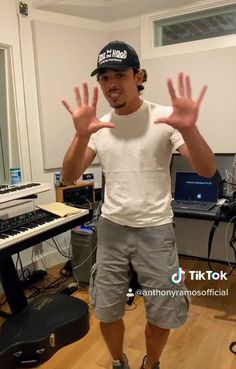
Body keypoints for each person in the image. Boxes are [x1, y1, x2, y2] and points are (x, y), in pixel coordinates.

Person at [62, 41, 216, 369]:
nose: (112, 84)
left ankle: (151, 365)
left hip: (156, 232)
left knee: (164, 311)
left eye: (120, 74)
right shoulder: (97, 126)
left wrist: (189, 128)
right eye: (104, 78)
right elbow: (69, 175)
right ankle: (119, 362)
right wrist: (78, 136)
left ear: (138, 75)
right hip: (112, 231)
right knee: (106, 311)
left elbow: (207, 170)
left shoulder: (165, 117)